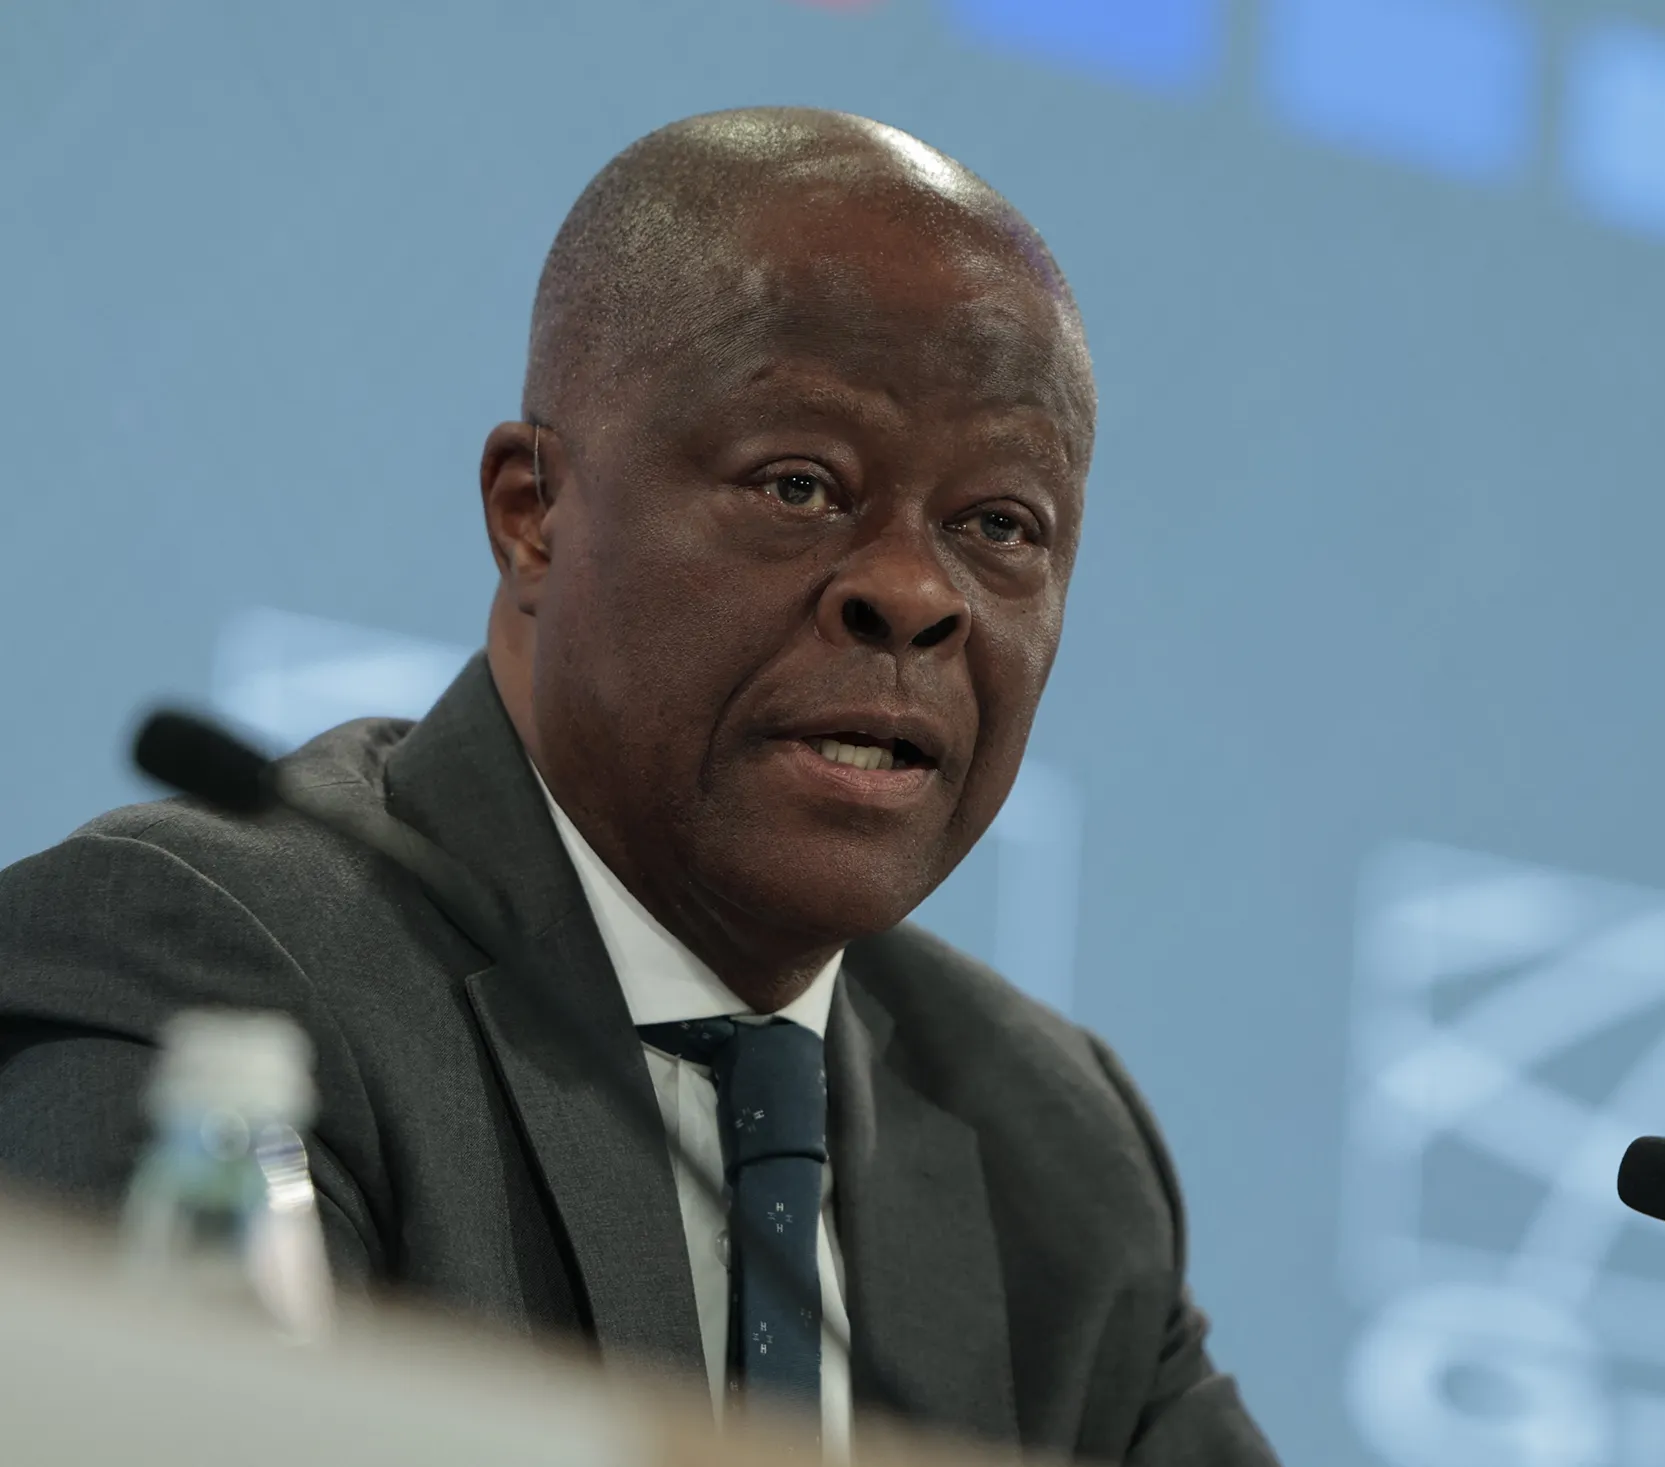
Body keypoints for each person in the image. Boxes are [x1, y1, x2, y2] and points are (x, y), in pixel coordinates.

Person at [0, 108, 1279, 1465]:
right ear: (534, 512)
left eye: (1000, 527)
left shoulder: (1053, 1152)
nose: (912, 593)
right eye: (801, 484)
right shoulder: (214, 971)